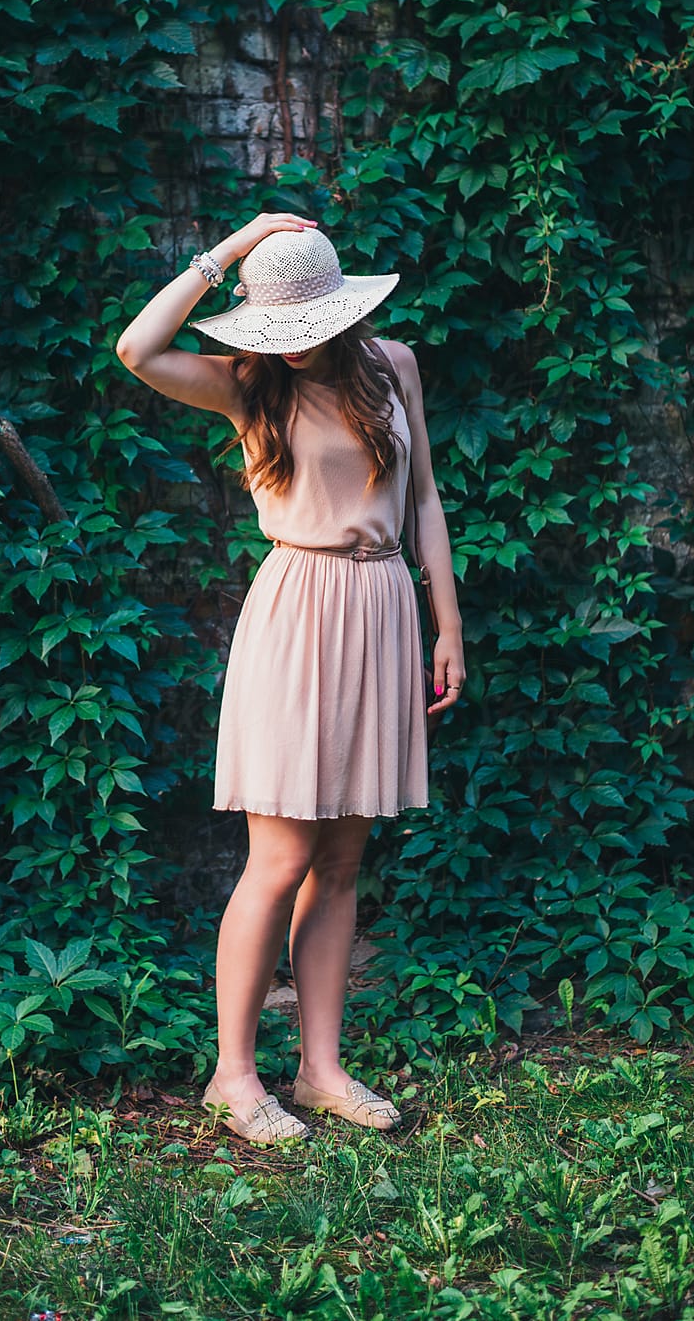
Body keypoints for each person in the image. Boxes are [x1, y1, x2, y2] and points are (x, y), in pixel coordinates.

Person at [115, 211, 465, 1144]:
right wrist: (229, 248)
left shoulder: (394, 363)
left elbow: (424, 495)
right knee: (279, 860)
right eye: (282, 331)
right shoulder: (245, 385)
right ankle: (233, 1075)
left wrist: (448, 624)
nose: (297, 347)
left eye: (309, 328)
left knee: (343, 862)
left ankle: (319, 1067)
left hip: (384, 607)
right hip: (297, 614)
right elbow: (138, 346)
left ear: (341, 316)